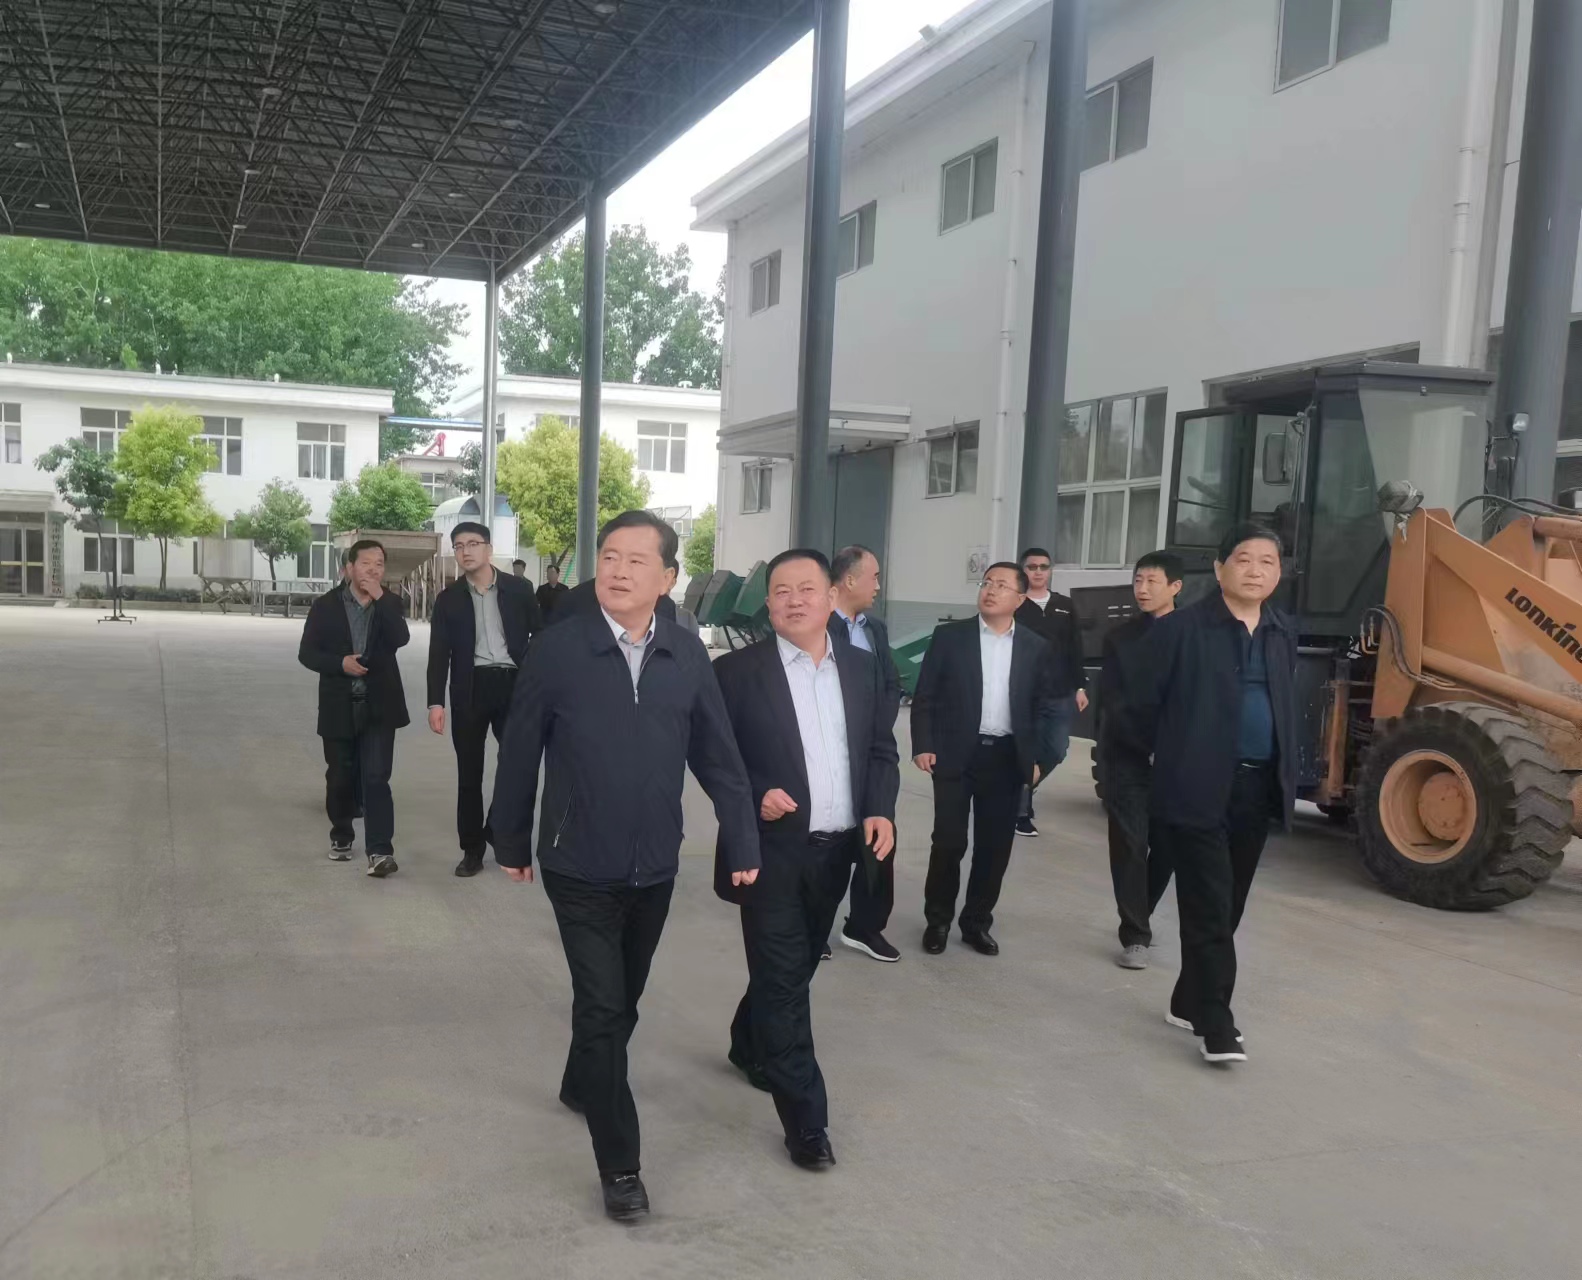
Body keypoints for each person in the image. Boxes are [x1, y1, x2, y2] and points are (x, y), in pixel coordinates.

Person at [489, 509, 759, 1223]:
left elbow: (719, 757)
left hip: (654, 865)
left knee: (622, 1001)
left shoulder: (686, 654)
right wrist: (508, 837)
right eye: (610, 555)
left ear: (668, 578)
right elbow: (521, 745)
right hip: (577, 862)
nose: (617, 569)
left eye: (638, 560)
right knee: (605, 1008)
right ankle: (621, 1167)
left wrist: (743, 839)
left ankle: (582, 1081)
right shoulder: (559, 649)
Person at [713, 549, 899, 1170]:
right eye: (782, 590)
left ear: (831, 597)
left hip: (837, 852)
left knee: (789, 972)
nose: (794, 600)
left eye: (807, 589)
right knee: (786, 986)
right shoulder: (736, 672)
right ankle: (807, 1123)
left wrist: (880, 809)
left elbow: (879, 749)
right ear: (768, 603)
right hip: (770, 853)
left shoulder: (863, 667)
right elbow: (714, 756)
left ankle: (747, 1042)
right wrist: (755, 793)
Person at [1126, 524, 1296, 1065]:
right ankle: (1215, 1022)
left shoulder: (1281, 631)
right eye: (1244, 559)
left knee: (1230, 905)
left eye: (1267, 562)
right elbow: (1135, 706)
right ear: (1220, 569)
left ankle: (1187, 998)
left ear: (1279, 573)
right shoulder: (1182, 630)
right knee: (1209, 903)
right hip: (1196, 786)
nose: (1255, 570)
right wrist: (1165, 763)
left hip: (1256, 787)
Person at [911, 562, 1061, 955]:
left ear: (1020, 598)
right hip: (955, 754)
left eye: (1001, 585)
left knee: (994, 848)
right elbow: (925, 694)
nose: (990, 590)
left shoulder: (1035, 646)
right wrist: (923, 743)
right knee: (948, 841)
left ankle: (976, 923)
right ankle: (938, 920)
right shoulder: (950, 637)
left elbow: (1044, 707)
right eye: (986, 582)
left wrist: (1038, 759)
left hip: (1007, 759)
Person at [425, 522, 543, 877]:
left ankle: (496, 826)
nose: (466, 551)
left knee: (519, 765)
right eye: (459, 546)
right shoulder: (448, 599)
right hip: (470, 688)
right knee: (469, 774)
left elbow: (541, 635)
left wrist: (539, 682)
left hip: (513, 685)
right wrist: (435, 702)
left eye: (473, 544)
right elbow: (438, 653)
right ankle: (472, 849)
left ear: (489, 549)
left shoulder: (520, 589)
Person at [297, 540, 410, 878]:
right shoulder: (325, 606)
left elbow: (401, 638)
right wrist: (339, 663)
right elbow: (307, 653)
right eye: (366, 563)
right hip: (339, 703)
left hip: (380, 704)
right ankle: (342, 834)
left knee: (376, 777)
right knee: (340, 776)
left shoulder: (390, 603)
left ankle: (380, 850)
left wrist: (380, 597)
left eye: (379, 564)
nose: (373, 570)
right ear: (349, 568)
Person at [1097, 550, 1184, 970]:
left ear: (1175, 587)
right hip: (1128, 756)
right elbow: (1113, 701)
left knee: (1167, 845)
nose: (1142, 589)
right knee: (1130, 843)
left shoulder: (1195, 636)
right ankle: (1135, 934)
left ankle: (1140, 911)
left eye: (1152, 581)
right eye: (1138, 580)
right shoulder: (1120, 638)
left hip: (1180, 760)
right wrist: (1142, 745)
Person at [822, 544, 902, 963]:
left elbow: (891, 682)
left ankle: (864, 926)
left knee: (879, 835)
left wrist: (877, 725)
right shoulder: (818, 625)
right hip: (831, 750)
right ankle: (814, 927)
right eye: (874, 577)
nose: (878, 586)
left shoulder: (876, 629)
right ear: (850, 580)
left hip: (874, 749)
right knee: (826, 844)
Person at [1013, 547, 1088, 836]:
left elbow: (1075, 647)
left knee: (1056, 749)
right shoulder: (1016, 604)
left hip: (1060, 692)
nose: (1038, 572)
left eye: (1043, 567)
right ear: (1023, 571)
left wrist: (1080, 686)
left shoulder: (1064, 605)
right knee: (1026, 751)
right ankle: (1021, 813)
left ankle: (1022, 788)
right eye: (1032, 567)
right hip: (1024, 693)